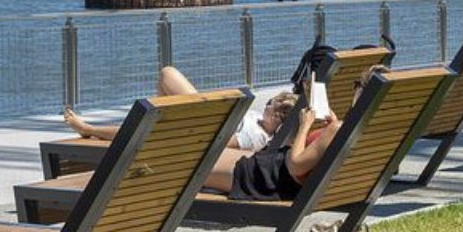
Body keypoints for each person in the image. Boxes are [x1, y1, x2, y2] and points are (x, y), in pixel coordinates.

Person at [63, 66, 296, 153]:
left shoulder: (257, 136)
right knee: (165, 83)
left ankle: (88, 128)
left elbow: (221, 143)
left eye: (270, 104)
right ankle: (91, 128)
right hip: (207, 122)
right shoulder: (259, 125)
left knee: (168, 75)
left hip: (203, 129)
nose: (265, 105)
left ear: (277, 117)